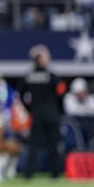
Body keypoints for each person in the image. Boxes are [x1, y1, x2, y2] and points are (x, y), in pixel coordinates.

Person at [21, 45, 65, 179]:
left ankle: (29, 173)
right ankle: (55, 173)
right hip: (51, 112)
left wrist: (29, 108)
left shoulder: (29, 76)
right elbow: (61, 90)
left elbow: (22, 94)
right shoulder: (51, 75)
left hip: (36, 113)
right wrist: (58, 106)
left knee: (34, 144)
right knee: (53, 143)